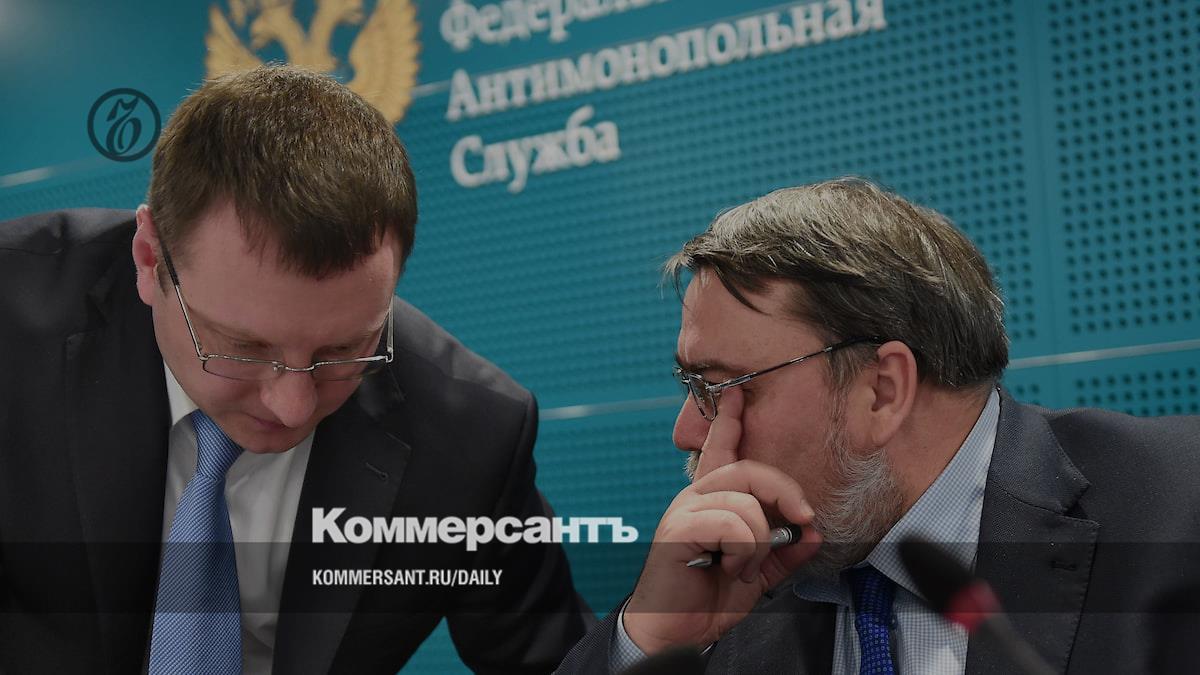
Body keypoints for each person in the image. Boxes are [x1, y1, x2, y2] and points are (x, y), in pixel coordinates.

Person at [0, 65, 591, 674]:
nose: (293, 407)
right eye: (243, 347)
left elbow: (550, 662)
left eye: (345, 350)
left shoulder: (471, 433)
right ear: (150, 260)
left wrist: (640, 631)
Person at [556, 177, 1200, 673]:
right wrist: (650, 640)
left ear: (882, 390)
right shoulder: (734, 581)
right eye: (692, 388)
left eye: (721, 388)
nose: (688, 433)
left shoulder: (1179, 510)